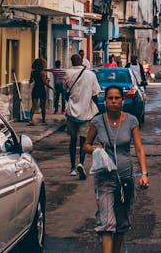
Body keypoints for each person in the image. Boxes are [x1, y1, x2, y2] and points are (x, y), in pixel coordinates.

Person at [84, 85, 149, 253]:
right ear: (105, 101)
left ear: (123, 100)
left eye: (117, 98)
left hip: (126, 178)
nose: (113, 101)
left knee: (121, 222)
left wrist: (144, 173)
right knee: (106, 223)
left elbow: (139, 148)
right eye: (110, 98)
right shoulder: (97, 122)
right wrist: (96, 150)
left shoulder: (131, 121)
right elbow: (86, 145)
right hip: (104, 178)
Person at [64, 53, 102, 179]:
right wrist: (98, 112)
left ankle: (72, 168)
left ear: (71, 62)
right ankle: (81, 162)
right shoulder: (91, 75)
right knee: (84, 141)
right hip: (86, 112)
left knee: (72, 140)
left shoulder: (67, 73)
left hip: (71, 112)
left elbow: (65, 92)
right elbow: (95, 95)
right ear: (82, 62)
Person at [28, 58, 50, 125]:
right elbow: (45, 82)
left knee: (34, 105)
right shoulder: (42, 73)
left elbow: (30, 81)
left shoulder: (33, 72)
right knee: (43, 106)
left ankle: (31, 119)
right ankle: (43, 120)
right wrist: (51, 87)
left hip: (35, 89)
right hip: (41, 89)